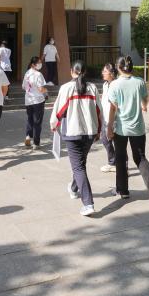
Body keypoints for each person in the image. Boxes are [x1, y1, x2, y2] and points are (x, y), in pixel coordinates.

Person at [106, 55, 149, 206]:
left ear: (118, 68)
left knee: (120, 158)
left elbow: (113, 108)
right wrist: (144, 106)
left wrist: (109, 127)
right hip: (138, 127)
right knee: (140, 158)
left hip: (121, 129)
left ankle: (123, 190)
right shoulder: (139, 82)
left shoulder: (115, 85)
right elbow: (144, 100)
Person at [51, 61, 100, 216]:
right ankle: (73, 188)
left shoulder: (66, 88)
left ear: (72, 71)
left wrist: (54, 124)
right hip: (90, 132)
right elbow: (99, 111)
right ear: (85, 72)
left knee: (78, 167)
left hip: (72, 132)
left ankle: (88, 203)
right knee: (80, 164)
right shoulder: (92, 88)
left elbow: (59, 111)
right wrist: (99, 130)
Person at [22, 56, 48, 149]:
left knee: (30, 119)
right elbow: (41, 89)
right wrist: (46, 91)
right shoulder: (38, 74)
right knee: (37, 122)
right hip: (38, 100)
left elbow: (23, 87)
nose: (40, 64)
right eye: (39, 62)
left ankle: (28, 136)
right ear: (33, 64)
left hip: (28, 100)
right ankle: (36, 143)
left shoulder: (27, 73)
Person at [99, 62, 119, 173]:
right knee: (105, 139)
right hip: (105, 118)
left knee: (118, 143)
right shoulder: (105, 84)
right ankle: (112, 162)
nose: (103, 73)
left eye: (105, 71)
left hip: (115, 119)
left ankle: (123, 165)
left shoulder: (116, 84)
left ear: (111, 73)